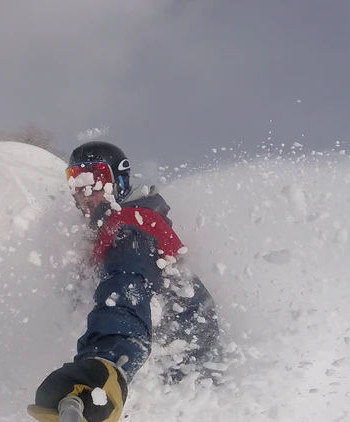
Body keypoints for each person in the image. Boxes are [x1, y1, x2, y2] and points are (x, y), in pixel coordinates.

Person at [27, 141, 221, 422]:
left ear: (118, 182)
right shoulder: (107, 229)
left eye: (95, 179)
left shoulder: (131, 226)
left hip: (189, 375)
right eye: (76, 182)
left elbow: (126, 286)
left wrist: (103, 365)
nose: (85, 192)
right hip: (173, 370)